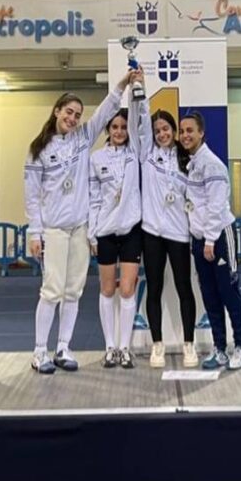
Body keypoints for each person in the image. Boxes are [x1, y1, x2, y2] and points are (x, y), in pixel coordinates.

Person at [24, 69, 140, 374]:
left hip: (80, 228)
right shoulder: (38, 149)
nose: (73, 118)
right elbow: (32, 196)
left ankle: (63, 347)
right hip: (53, 229)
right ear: (56, 112)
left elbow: (106, 110)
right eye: (69, 112)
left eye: (77, 115)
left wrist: (122, 84)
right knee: (51, 291)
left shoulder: (83, 139)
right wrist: (35, 233)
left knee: (74, 291)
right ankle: (39, 351)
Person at [179, 111, 241, 371]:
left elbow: (216, 205)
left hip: (219, 237)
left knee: (229, 293)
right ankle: (219, 349)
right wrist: (198, 240)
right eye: (182, 131)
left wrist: (209, 240)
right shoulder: (193, 165)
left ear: (201, 133)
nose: (185, 135)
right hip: (201, 241)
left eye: (190, 130)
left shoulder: (211, 164)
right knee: (210, 296)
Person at [137, 107, 198, 368]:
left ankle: (189, 345)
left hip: (179, 233)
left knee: (185, 288)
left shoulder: (187, 159)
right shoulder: (147, 154)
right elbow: (139, 121)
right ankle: (157, 345)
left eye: (165, 129)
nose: (161, 134)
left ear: (173, 130)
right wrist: (139, 91)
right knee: (154, 288)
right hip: (151, 232)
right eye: (157, 131)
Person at [90, 106, 143, 369]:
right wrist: (92, 234)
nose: (120, 131)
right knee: (108, 289)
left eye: (123, 127)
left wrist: (135, 89)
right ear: (108, 130)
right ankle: (110, 347)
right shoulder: (96, 158)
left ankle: (125, 348)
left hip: (132, 229)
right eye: (115, 127)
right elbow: (93, 199)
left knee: (128, 289)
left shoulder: (135, 153)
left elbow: (139, 121)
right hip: (105, 232)